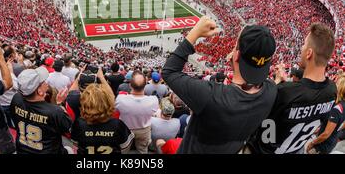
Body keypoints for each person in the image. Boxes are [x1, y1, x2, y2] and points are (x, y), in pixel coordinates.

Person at [162, 16, 278, 154]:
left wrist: (194, 33)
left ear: (236, 56)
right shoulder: (271, 91)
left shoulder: (212, 95)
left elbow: (169, 72)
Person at [249, 23, 337, 154]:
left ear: (309, 53)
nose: (301, 47)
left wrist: (276, 84)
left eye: (304, 44)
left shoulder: (284, 92)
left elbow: (264, 131)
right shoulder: (332, 90)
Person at [71, 67, 134, 154]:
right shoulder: (118, 124)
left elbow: (75, 143)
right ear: (108, 103)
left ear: (84, 104)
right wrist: (102, 78)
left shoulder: (79, 123)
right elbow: (125, 146)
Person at [10, 68, 72, 154]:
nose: (46, 83)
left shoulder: (16, 98)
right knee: (70, 150)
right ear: (39, 91)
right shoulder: (55, 111)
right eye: (43, 82)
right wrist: (59, 104)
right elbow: (67, 128)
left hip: (22, 149)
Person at [115, 70, 159, 154]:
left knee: (124, 150)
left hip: (126, 129)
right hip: (144, 130)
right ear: (145, 85)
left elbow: (115, 110)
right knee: (142, 150)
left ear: (130, 85)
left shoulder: (120, 99)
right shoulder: (153, 100)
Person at [306, 75, 345, 154]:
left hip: (322, 146)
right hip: (332, 141)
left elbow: (326, 134)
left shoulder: (337, 108)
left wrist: (312, 143)